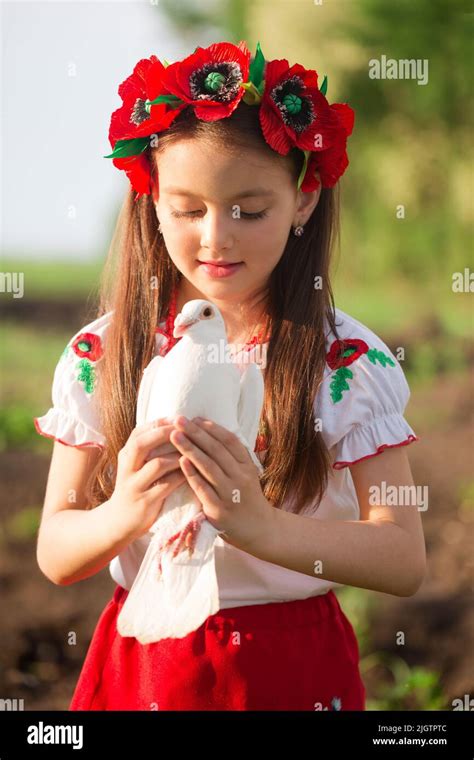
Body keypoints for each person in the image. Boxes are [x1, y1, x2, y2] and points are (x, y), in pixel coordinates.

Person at [34, 40, 426, 711]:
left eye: (250, 209)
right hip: (149, 662)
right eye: (188, 209)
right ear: (151, 201)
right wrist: (127, 511)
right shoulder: (104, 355)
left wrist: (262, 529)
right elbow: (56, 551)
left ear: (303, 200)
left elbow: (404, 557)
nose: (217, 237)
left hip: (292, 667)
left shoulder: (346, 362)